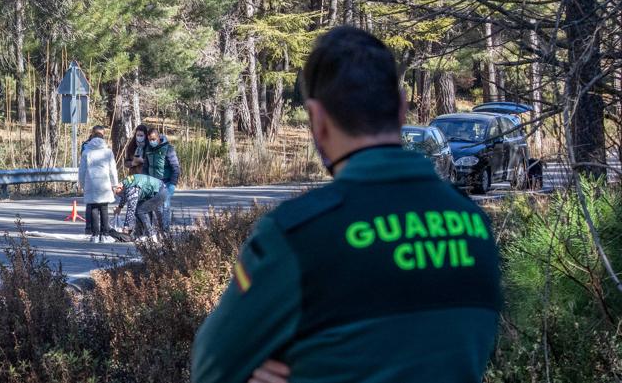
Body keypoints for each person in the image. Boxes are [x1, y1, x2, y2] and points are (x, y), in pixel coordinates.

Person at [191, 26, 502, 383]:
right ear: (401, 107)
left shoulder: (296, 236)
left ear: (317, 119)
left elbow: (211, 369)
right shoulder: (475, 225)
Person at [78, 129, 118, 243]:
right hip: (104, 184)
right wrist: (114, 184)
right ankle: (104, 234)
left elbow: (82, 170)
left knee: (94, 208)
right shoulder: (108, 152)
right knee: (104, 208)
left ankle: (95, 235)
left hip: (91, 183)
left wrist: (81, 184)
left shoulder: (86, 152)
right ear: (102, 139)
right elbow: (113, 170)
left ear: (91, 138)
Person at [142, 127, 180, 231]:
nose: (152, 141)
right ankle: (160, 228)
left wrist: (172, 184)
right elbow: (145, 167)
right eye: (150, 139)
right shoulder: (148, 149)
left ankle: (166, 231)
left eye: (154, 139)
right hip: (153, 184)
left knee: (165, 208)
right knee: (157, 209)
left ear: (159, 137)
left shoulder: (168, 148)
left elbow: (175, 168)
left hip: (166, 183)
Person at [113, 174, 167, 243]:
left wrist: (126, 226)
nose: (118, 196)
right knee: (142, 209)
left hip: (160, 192)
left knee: (139, 211)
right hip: (158, 190)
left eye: (117, 194)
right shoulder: (125, 184)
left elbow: (131, 209)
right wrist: (120, 207)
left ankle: (151, 235)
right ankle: (144, 234)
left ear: (119, 188)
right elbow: (125, 196)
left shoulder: (131, 189)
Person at [81, 124, 106, 235]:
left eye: (102, 134)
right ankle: (90, 227)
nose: (101, 137)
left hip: (102, 180)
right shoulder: (86, 145)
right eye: (99, 134)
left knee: (102, 206)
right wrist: (81, 182)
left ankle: (103, 229)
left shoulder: (105, 146)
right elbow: (83, 164)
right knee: (91, 205)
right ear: (93, 134)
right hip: (90, 177)